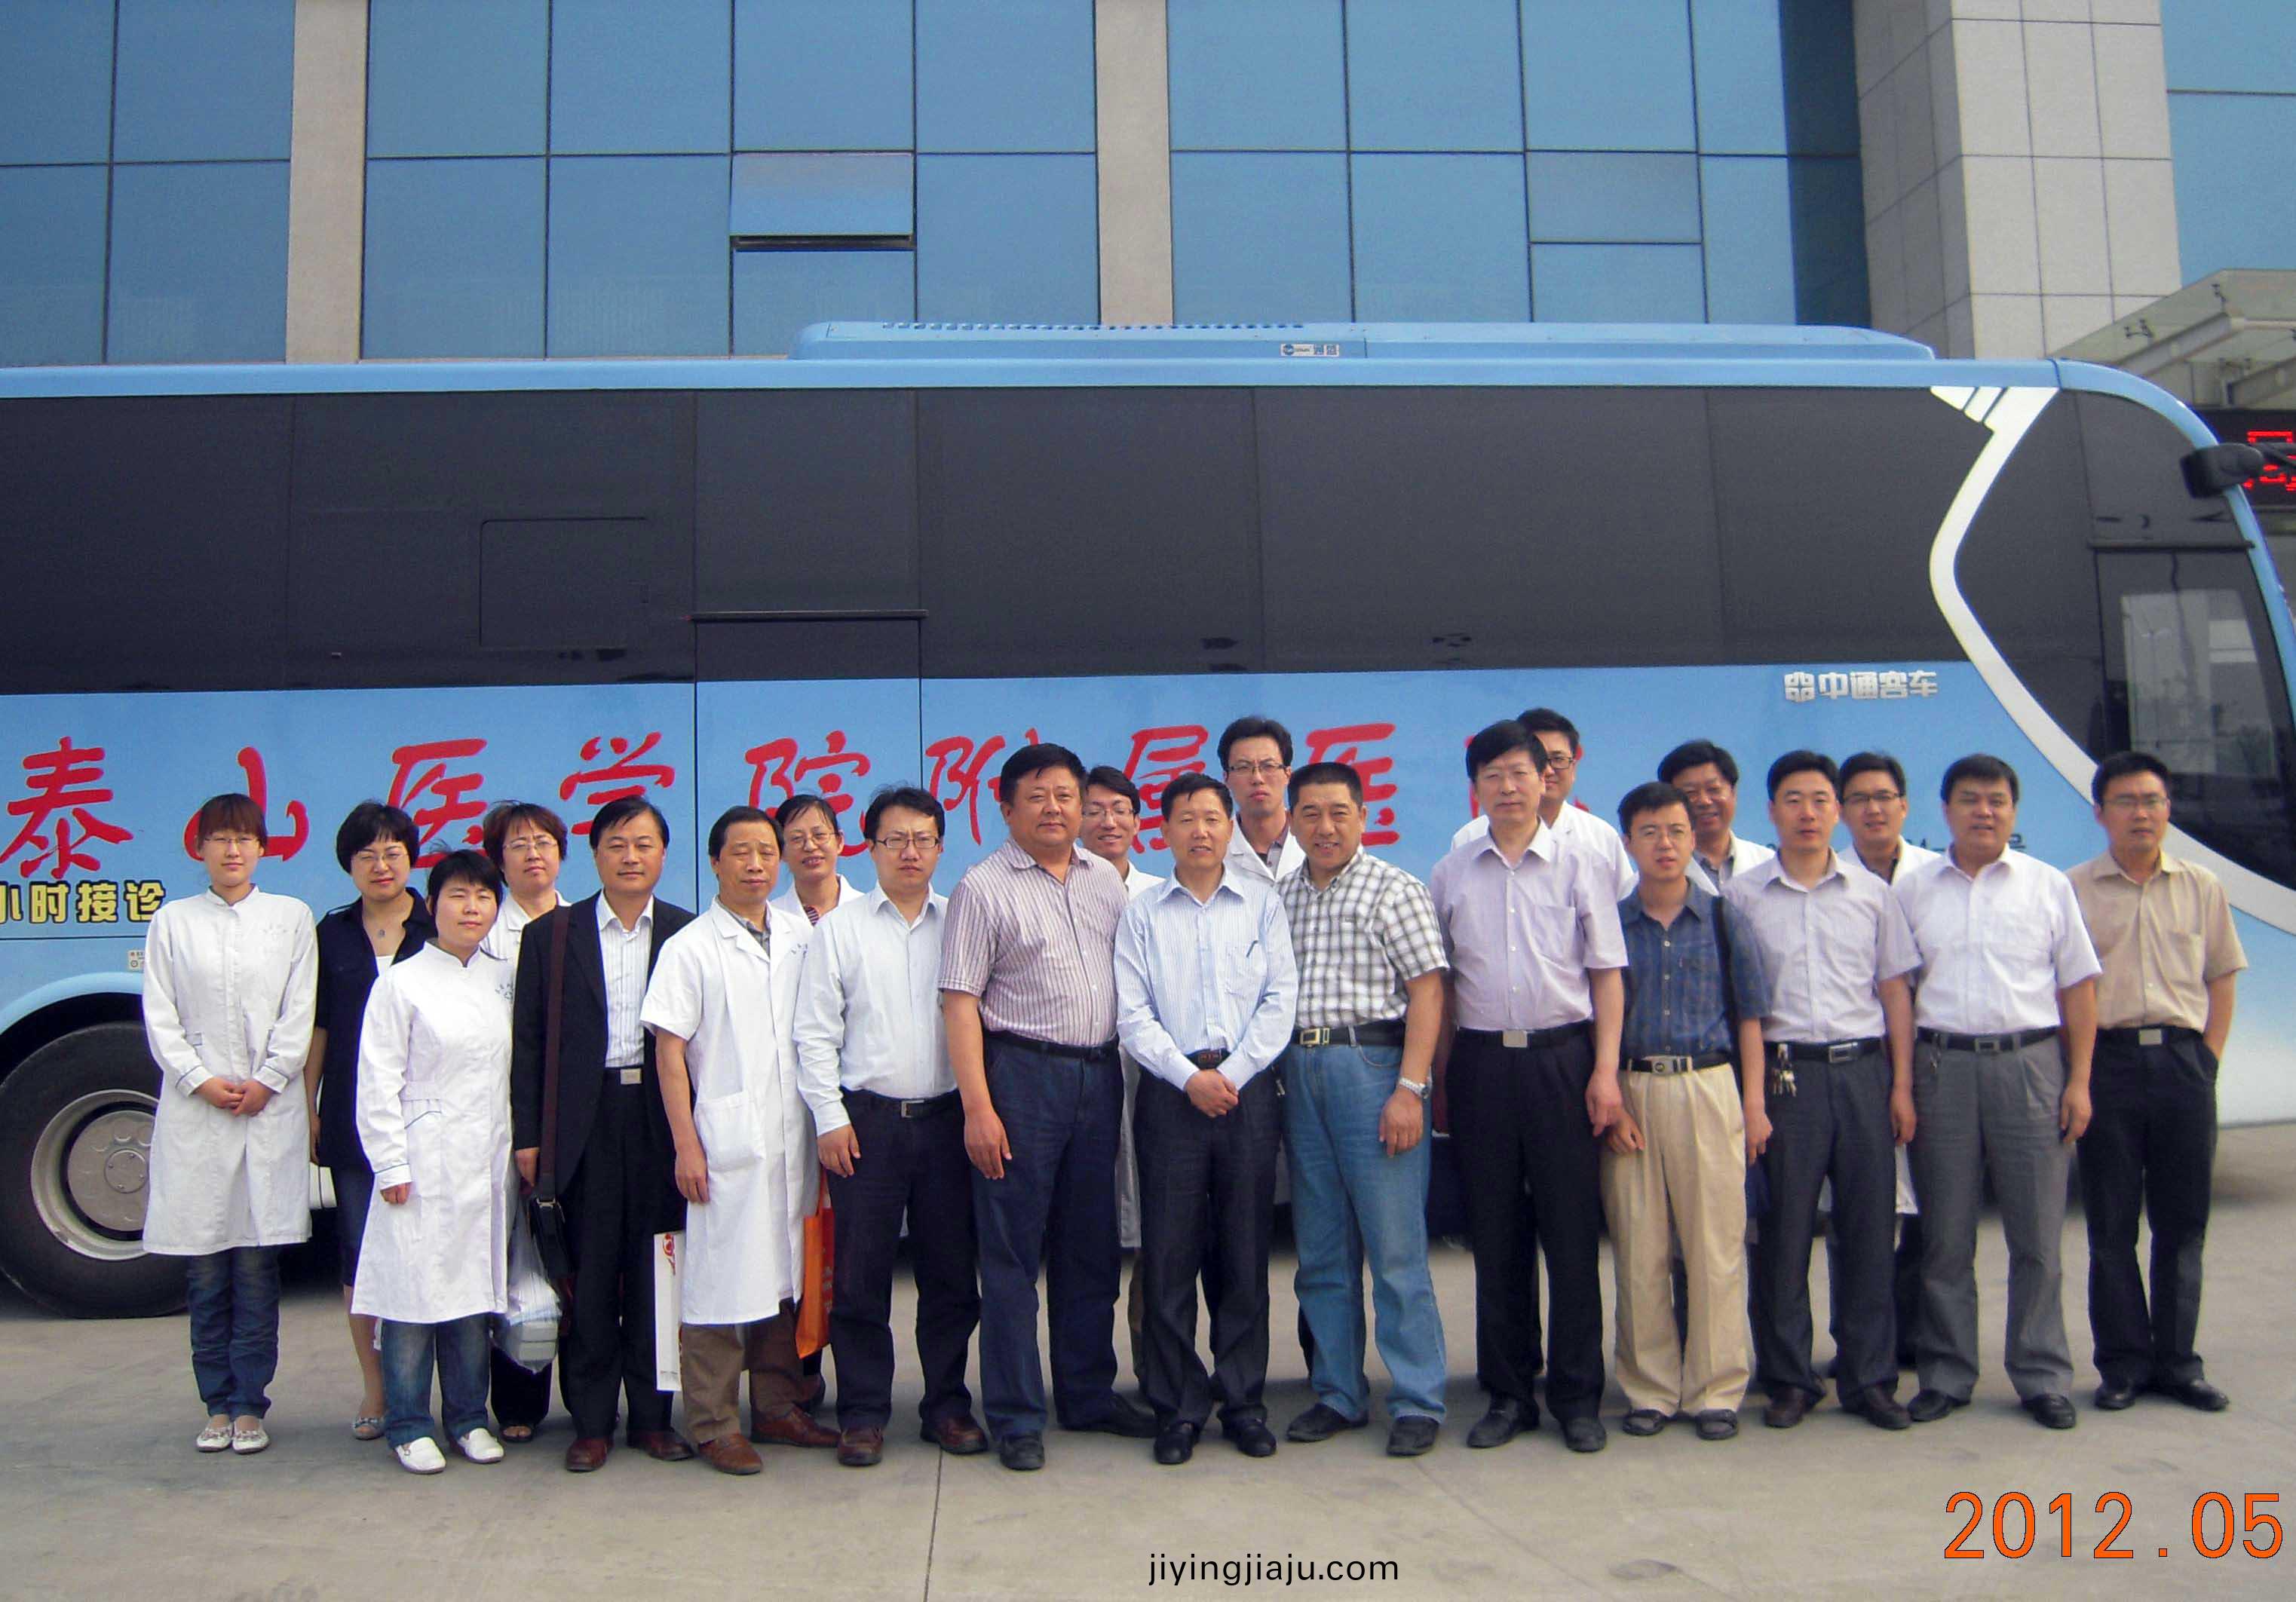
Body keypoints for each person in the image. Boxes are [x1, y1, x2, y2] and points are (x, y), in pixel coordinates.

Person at [940, 743, 1157, 1471]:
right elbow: (960, 1003)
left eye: (1066, 795)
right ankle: (1015, 1413)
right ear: (1006, 808)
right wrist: (978, 1107)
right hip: (1020, 1078)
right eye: (1036, 796)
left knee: (1090, 1247)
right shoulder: (982, 888)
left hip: (1098, 1076)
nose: (1055, 808)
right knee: (1010, 1255)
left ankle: (1087, 1393)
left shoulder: (1105, 882)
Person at [1430, 721, 1626, 1455]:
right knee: (1495, 1235)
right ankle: (1509, 1393)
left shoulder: (1580, 864)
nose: (1508, 787)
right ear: (1475, 788)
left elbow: (1607, 975)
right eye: (1493, 775)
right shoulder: (1451, 871)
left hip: (1562, 1061)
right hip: (1482, 1064)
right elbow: (1443, 985)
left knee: (1571, 1234)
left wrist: (1605, 1072)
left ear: (1546, 778)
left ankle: (1576, 1396)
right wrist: (1442, 1076)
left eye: (1520, 772)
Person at [1896, 755, 2099, 1431]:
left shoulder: (2046, 885)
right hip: (1941, 1067)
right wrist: (1903, 1084)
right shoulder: (1914, 890)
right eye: (1969, 799)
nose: (1983, 811)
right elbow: (1898, 992)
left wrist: (2078, 1080)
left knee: (2036, 1234)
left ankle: (2041, 1374)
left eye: (1996, 799)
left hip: (2030, 1065)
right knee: (1944, 1236)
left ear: (2013, 810)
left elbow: (2078, 988)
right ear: (1945, 809)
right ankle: (1946, 1373)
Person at [1724, 753, 1918, 1432]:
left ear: (1836, 810)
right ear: (1770, 811)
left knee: (1868, 1230)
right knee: (1782, 1235)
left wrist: (1901, 1084)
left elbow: (1894, 991)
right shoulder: (1742, 897)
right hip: (1784, 1078)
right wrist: (1752, 1101)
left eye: (1818, 799)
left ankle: (1869, 1378)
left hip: (1863, 1071)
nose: (1806, 813)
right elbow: (1743, 1008)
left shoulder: (1872, 893)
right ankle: (1789, 1379)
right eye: (1792, 799)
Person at [795, 787, 988, 1467]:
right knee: (860, 1278)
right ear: (869, 846)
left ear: (940, 847)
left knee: (950, 1273)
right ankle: (863, 1413)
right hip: (866, 1124)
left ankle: (947, 1405)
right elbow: (814, 1033)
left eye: (923, 839)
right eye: (894, 839)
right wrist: (829, 1118)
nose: (910, 852)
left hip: (946, 1122)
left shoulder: (961, 921)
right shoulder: (840, 929)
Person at [1114, 774, 1298, 1466]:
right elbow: (1132, 1012)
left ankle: (1243, 1402)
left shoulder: (1261, 904)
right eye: (1186, 818)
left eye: (1212, 818)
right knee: (1169, 1255)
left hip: (1246, 1092)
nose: (1200, 830)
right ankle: (1178, 1408)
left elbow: (1280, 997)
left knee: (1244, 1253)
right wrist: (1189, 1077)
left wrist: (1234, 1073)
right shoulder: (1143, 913)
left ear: (1230, 827)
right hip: (1171, 1094)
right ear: (1163, 830)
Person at [642, 806, 831, 1475]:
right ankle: (714, 1422)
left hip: (792, 1135)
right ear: (714, 862)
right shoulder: (691, 946)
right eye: (740, 852)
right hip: (724, 1139)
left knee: (783, 1277)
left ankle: (777, 1406)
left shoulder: (802, 935)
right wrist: (686, 1144)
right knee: (720, 1284)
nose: (755, 865)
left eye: (766, 852)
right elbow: (669, 1051)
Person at [510, 798, 697, 1472]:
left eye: (643, 844)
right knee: (587, 1275)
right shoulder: (552, 935)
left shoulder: (685, 932)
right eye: (617, 844)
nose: (630, 856)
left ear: (663, 854)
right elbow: (528, 1041)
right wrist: (529, 1135)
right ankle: (590, 1422)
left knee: (656, 1270)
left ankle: (652, 1417)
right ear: (594, 855)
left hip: (659, 1115)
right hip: (580, 1121)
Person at [1275, 761, 1450, 1458]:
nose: (1325, 826)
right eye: (1310, 813)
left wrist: (1410, 1088)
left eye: (1338, 812)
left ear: (1362, 815)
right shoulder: (1281, 897)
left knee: (1395, 1249)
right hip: (1300, 1069)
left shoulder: (1394, 889)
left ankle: (1417, 1399)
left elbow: (1428, 991)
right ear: (1291, 820)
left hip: (1373, 1068)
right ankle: (1337, 1393)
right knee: (1320, 1249)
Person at [142, 793, 317, 1457]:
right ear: (200, 849)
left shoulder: (289, 918)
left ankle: (250, 1404)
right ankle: (215, 1401)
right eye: (219, 838)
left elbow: (299, 1012)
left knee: (255, 1270)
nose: (233, 850)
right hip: (199, 1113)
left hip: (266, 1111)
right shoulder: (173, 921)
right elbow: (160, 1015)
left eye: (244, 838)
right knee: (206, 1273)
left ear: (263, 847)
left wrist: (270, 1078)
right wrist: (201, 1080)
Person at [2071, 752, 2245, 1414]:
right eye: (2125, 801)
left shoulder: (2201, 885)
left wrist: (2208, 1060)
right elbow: (2067, 990)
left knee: (2182, 1223)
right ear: (2099, 812)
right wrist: (2078, 1074)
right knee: (2111, 1226)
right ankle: (2122, 1364)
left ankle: (2177, 1363)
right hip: (2107, 1063)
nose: (2140, 813)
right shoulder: (2073, 889)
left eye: (2151, 800)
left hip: (2181, 1065)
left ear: (2167, 809)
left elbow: (2220, 975)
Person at [1606, 781, 1770, 1442]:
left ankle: (1715, 1389)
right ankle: (1649, 1388)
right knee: (1639, 1246)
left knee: (1715, 1246)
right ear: (1628, 841)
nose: (1664, 844)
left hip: (1709, 1085)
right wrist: (1610, 1097)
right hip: (1634, 1088)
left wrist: (1753, 1104)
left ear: (1692, 837)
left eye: (1675, 831)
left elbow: (1750, 1016)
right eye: (1649, 832)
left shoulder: (1726, 919)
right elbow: (1597, 1018)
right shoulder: (1610, 923)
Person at [351, 850, 518, 1475]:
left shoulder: (503, 979)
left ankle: (469, 1417)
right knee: (413, 1296)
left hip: (486, 1160)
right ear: (431, 904)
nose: (471, 908)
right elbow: (377, 1081)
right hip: (421, 1161)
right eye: (458, 895)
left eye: (483, 896)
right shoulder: (401, 982)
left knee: (471, 1297)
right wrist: (391, 1164)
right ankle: (408, 1422)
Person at [303, 801, 433, 1443]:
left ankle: (441, 1392)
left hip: (435, 1119)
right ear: (348, 866)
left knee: (435, 1252)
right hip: (355, 1119)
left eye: (392, 852)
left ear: (411, 857)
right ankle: (376, 1386)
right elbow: (319, 1029)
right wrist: (308, 1107)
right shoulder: (331, 934)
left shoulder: (440, 924)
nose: (381, 865)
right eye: (366, 855)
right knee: (361, 1254)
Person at [1836, 751, 1936, 1364]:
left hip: (1936, 1059)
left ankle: (1917, 1337)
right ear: (1841, 810)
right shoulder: (1831, 877)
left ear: (1904, 804)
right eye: (1858, 799)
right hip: (1863, 1062)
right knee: (1861, 1209)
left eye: (1883, 797)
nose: (1872, 809)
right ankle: (1856, 1341)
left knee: (1929, 1203)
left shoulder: (1934, 876)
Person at [477, 800, 569, 1441]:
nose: (533, 854)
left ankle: (588, 1397)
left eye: (543, 842)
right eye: (518, 845)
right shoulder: (483, 934)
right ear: (499, 861)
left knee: (569, 1257)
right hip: (500, 1116)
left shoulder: (584, 922)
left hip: (573, 1117)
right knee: (509, 1258)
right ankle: (518, 1403)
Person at [1081, 765, 1166, 1384]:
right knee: (1090, 1228)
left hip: (1155, 1077)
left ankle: (1156, 1370)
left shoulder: (1162, 894)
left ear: (1138, 821)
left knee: (1158, 1230)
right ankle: (1089, 1378)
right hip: (1085, 1075)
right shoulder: (1061, 891)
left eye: (1120, 809)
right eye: (1094, 810)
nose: (1107, 821)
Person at [1448, 706, 1636, 899]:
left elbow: (1626, 908)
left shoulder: (1601, 838)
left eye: (1558, 759)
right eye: (1539, 760)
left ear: (1574, 767)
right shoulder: (1470, 838)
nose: (1548, 770)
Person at [1657, 739, 1773, 893]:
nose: (1704, 801)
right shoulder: (1649, 882)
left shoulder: (1770, 864)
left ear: (1734, 793)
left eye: (1713, 789)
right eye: (1690, 793)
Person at [1217, 716, 1307, 884]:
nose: (1257, 778)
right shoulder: (1214, 853)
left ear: (1288, 774)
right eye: (1243, 767)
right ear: (1226, 778)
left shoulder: (1315, 841)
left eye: (1269, 766)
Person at [773, 792, 859, 926]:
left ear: (839, 841)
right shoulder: (770, 919)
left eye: (819, 835)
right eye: (797, 838)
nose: (810, 846)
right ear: (781, 851)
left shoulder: (869, 912)